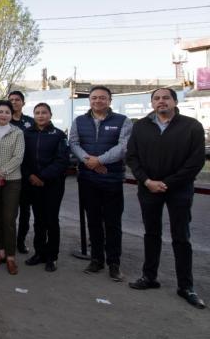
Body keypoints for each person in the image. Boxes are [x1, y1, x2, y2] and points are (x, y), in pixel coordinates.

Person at [126, 88, 206, 309]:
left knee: (181, 237)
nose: (161, 102)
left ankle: (186, 286)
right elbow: (132, 157)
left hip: (179, 190)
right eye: (156, 98)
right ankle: (149, 277)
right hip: (148, 188)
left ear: (175, 101)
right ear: (152, 103)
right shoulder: (141, 126)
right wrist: (147, 181)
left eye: (166, 98)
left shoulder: (191, 126)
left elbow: (195, 162)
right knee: (151, 234)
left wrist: (168, 183)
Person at [69, 85, 132, 281]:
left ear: (109, 100)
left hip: (112, 180)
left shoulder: (123, 121)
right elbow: (74, 143)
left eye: (102, 98)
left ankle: (114, 263)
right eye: (94, 97)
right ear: (89, 100)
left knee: (113, 223)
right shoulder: (79, 121)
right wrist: (90, 161)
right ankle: (97, 259)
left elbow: (123, 147)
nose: (98, 101)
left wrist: (100, 160)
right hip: (88, 179)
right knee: (93, 222)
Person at [22, 103, 70, 272]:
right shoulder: (26, 134)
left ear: (50, 115)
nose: (40, 116)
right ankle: (39, 253)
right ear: (33, 115)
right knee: (39, 221)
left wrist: (43, 177)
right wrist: (31, 176)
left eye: (44, 113)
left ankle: (52, 256)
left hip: (53, 185)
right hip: (32, 183)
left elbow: (62, 160)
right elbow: (22, 159)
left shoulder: (58, 135)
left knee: (51, 220)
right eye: (37, 113)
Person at [0, 100, 25, 275]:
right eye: (0, 112)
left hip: (12, 180)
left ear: (11, 115)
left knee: (9, 219)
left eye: (7, 112)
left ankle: (10, 256)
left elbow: (18, 157)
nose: (3, 115)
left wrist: (1, 172)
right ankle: (0, 252)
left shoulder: (17, 132)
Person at [8, 90, 35, 254]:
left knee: (25, 211)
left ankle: (21, 241)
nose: (14, 102)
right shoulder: (3, 120)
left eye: (17, 100)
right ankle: (7, 242)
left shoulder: (31, 122)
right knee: (9, 212)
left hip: (27, 172)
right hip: (8, 173)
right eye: (11, 100)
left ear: (23, 103)